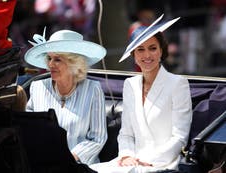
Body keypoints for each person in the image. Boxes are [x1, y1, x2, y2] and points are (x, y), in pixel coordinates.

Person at [90, 15, 192, 173]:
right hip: (132, 162)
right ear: (134, 55)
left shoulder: (178, 83)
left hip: (162, 163)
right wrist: (126, 156)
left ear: (161, 51)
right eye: (140, 49)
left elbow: (180, 137)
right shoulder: (130, 84)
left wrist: (148, 161)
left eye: (152, 48)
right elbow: (126, 133)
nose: (147, 55)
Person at [24, 29, 108, 165]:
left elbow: (97, 138)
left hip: (81, 166)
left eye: (57, 59)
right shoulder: (37, 88)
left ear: (74, 63)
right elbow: (29, 130)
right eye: (49, 58)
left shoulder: (93, 89)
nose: (50, 64)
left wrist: (70, 158)